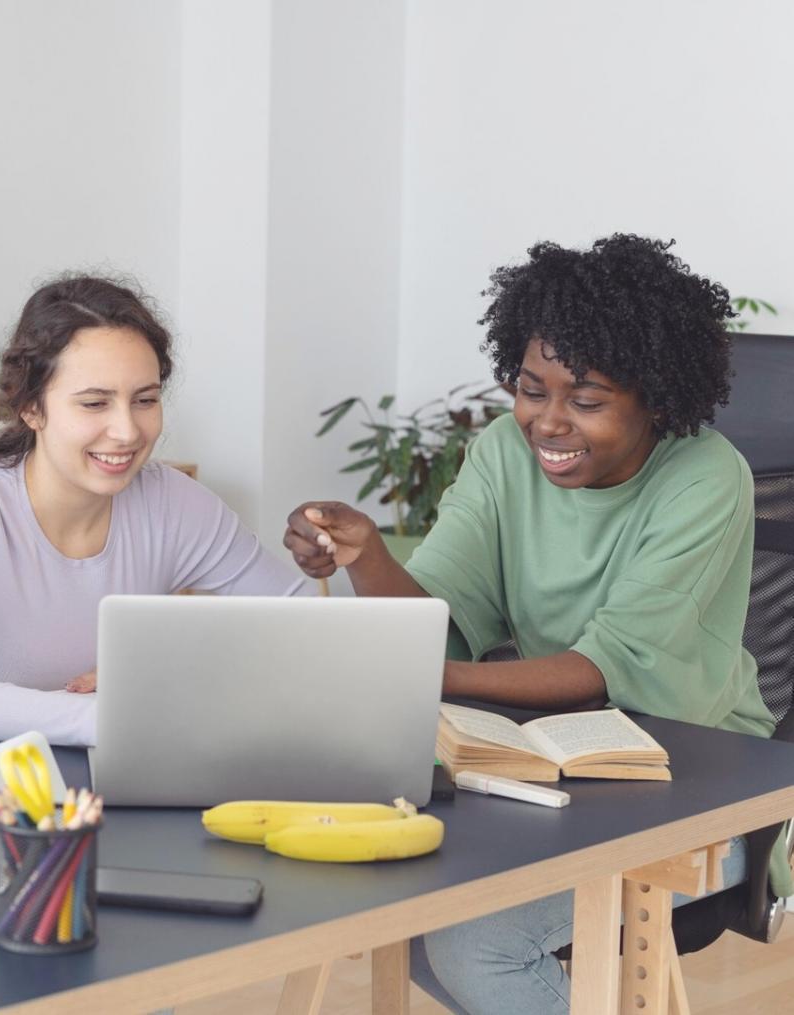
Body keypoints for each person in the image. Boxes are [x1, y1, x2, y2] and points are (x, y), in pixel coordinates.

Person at [283, 233, 769, 1015]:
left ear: (654, 398)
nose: (546, 422)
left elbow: (597, 666)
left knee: (478, 941)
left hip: (701, 784)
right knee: (394, 904)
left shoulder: (706, 475)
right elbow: (428, 617)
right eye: (529, 388)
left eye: (585, 400)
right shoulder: (501, 453)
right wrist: (363, 555)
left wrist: (414, 674)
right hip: (548, 767)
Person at [0, 274, 306, 748]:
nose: (126, 431)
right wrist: (111, 716)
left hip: (57, 743)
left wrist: (160, 670)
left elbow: (308, 626)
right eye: (95, 403)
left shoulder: (175, 505)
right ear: (32, 409)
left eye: (145, 400)